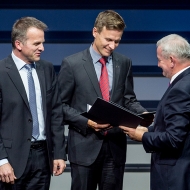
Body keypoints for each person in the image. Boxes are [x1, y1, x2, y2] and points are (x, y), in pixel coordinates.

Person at [58, 10, 149, 190]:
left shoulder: (124, 63)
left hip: (115, 148)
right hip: (84, 148)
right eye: (108, 39)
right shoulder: (72, 64)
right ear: (95, 32)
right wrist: (88, 122)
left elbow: (129, 99)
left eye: (117, 41)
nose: (113, 46)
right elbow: (59, 106)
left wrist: (144, 114)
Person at [0, 17, 67, 190]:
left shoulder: (47, 69)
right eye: (37, 43)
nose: (42, 48)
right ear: (19, 44)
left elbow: (55, 113)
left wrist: (59, 153)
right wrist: (1, 160)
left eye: (42, 43)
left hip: (43, 157)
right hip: (11, 160)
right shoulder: (1, 72)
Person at [120, 34, 190, 190]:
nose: (158, 65)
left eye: (160, 60)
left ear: (172, 60)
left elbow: (173, 138)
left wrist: (143, 136)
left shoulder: (180, 89)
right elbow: (181, 126)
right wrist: (149, 129)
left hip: (174, 176)